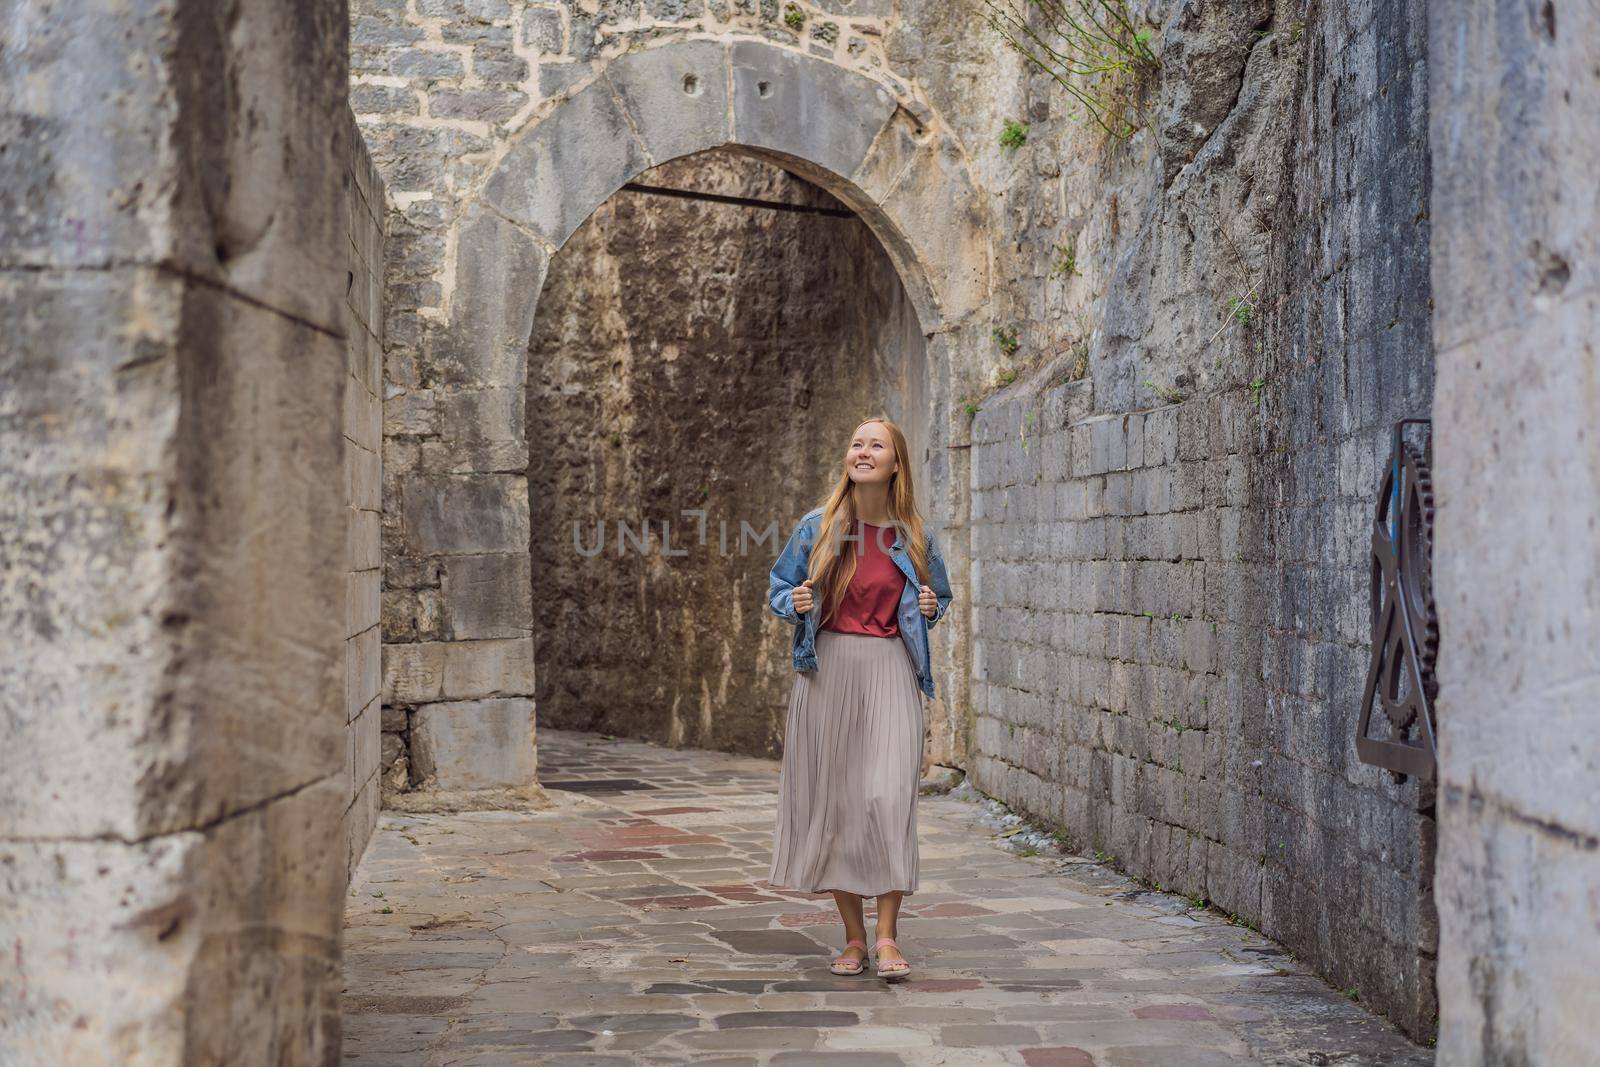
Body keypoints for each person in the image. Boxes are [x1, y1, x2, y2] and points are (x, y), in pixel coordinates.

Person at [765, 414, 953, 981]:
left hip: (891, 669)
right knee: (840, 806)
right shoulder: (818, 527)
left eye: (877, 445)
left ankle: (889, 934)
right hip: (828, 672)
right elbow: (779, 588)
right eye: (856, 443)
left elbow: (937, 595)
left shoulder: (913, 534)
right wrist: (794, 600)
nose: (863, 451)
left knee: (887, 800)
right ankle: (854, 938)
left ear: (895, 463)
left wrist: (928, 609)